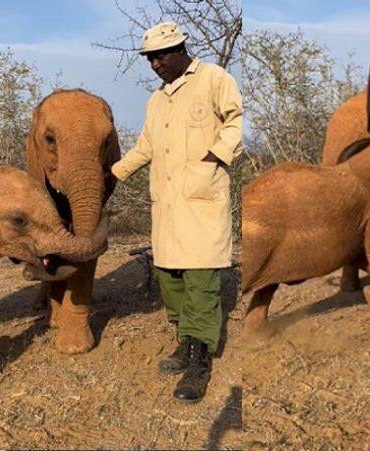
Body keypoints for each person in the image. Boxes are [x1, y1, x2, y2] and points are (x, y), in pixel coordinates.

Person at [111, 22, 242, 403]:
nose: (155, 64)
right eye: (150, 58)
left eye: (161, 56)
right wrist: (113, 174)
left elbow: (235, 121)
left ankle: (200, 361)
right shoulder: (157, 100)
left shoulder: (214, 79)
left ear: (181, 49)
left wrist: (214, 157)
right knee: (171, 277)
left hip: (201, 201)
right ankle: (184, 342)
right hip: (167, 207)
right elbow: (145, 146)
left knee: (201, 280)